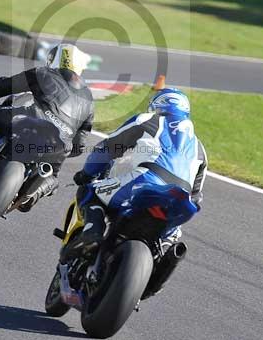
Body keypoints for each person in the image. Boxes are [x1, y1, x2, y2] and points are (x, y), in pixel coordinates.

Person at [65, 87, 207, 259]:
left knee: (89, 191)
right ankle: (159, 272)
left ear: (157, 106)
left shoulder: (146, 119)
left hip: (147, 179)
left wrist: (87, 174)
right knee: (171, 242)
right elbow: (196, 197)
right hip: (181, 200)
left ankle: (92, 235)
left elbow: (107, 148)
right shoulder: (200, 148)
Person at [0, 43, 95, 211]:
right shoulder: (89, 99)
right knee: (52, 175)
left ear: (54, 60)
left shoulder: (44, 73)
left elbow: (5, 85)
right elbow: (80, 145)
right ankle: (36, 190)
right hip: (61, 143)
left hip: (31, 120)